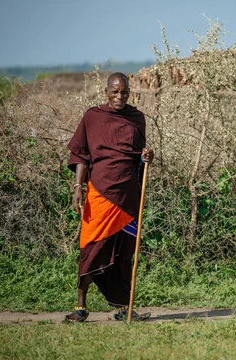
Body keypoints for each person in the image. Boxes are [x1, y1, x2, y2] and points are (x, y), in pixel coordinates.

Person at [65, 72, 154, 322]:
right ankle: (81, 306)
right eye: (115, 92)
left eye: (124, 92)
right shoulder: (93, 117)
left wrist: (146, 158)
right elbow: (81, 155)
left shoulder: (137, 118)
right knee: (90, 247)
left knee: (124, 253)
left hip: (128, 196)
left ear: (129, 92)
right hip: (100, 193)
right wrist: (77, 188)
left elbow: (138, 156)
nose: (119, 96)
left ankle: (124, 307)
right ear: (106, 92)